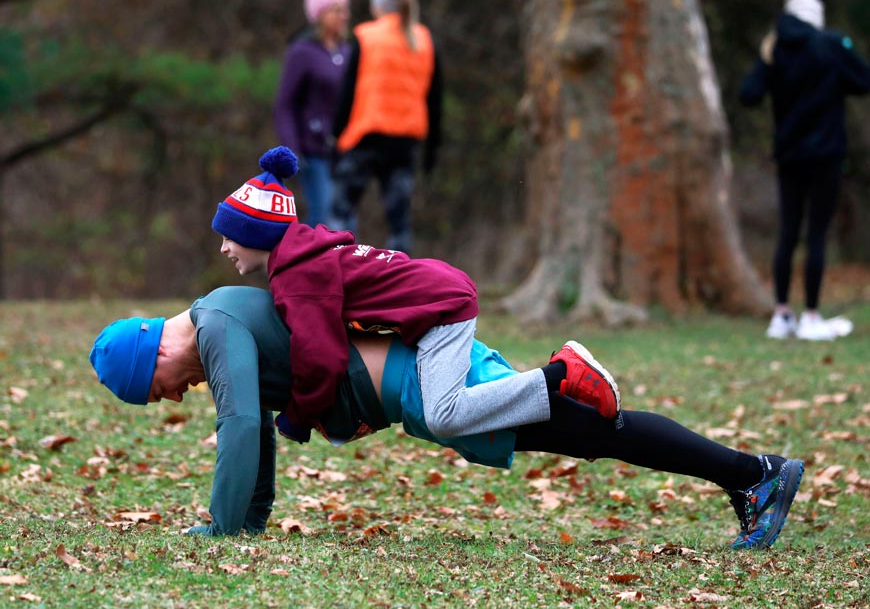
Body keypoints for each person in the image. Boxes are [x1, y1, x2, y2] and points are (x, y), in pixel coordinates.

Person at [89, 285, 804, 550]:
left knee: (599, 434)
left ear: (149, 357)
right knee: (594, 440)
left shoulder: (216, 328)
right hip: (426, 396)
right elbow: (257, 426)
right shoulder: (222, 329)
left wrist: (218, 528)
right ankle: (752, 477)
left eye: (157, 392)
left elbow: (244, 425)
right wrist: (248, 521)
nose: (173, 399)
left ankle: (756, 474)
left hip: (437, 386)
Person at [211, 146, 621, 448]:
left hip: (443, 307)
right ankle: (557, 386)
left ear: (256, 235)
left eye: (230, 237)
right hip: (435, 300)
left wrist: (297, 418)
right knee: (441, 411)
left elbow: (321, 356)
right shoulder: (303, 256)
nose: (225, 248)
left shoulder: (296, 274)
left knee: (443, 415)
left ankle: (561, 374)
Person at [739, 0, 870, 341]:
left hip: (789, 155)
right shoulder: (831, 45)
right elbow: (863, 80)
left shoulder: (775, 48)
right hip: (826, 154)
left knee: (788, 233)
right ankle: (810, 315)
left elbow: (749, 94)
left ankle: (782, 314)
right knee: (815, 234)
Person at [330, 0, 442, 254]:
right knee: (399, 222)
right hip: (404, 144)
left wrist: (336, 135)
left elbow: (348, 94)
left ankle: (338, 270)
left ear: (377, 6)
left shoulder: (365, 36)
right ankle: (399, 280)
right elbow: (435, 99)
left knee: (340, 216)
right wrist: (431, 151)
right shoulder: (425, 39)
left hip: (366, 137)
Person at [273, 0, 352, 227]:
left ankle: (344, 266)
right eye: (336, 10)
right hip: (313, 149)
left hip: (345, 150)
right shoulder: (302, 52)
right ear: (319, 14)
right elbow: (285, 104)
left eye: (344, 9)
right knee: (326, 218)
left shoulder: (348, 52)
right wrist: (292, 148)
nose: (343, 16)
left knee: (347, 221)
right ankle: (306, 264)